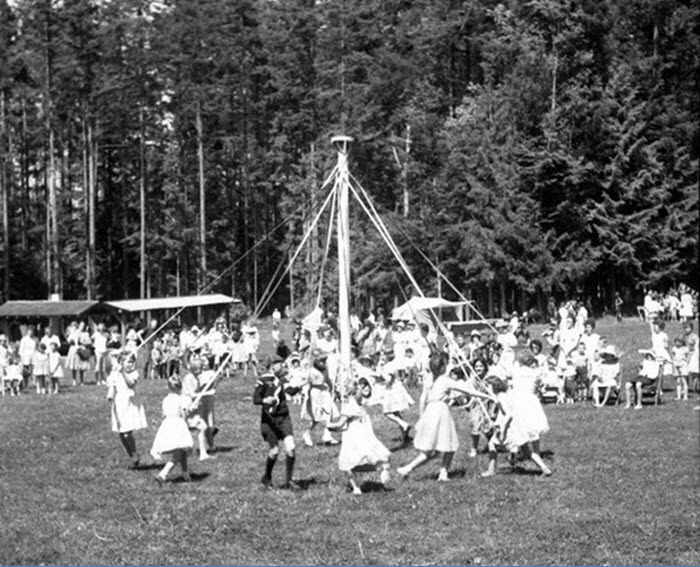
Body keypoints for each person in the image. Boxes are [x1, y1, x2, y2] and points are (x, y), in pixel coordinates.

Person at [396, 352, 493, 482]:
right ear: (442, 368)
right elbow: (467, 390)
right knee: (449, 445)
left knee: (432, 448)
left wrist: (422, 416)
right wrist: (489, 396)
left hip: (429, 412)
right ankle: (440, 473)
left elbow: (428, 398)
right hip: (440, 412)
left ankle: (409, 469)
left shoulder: (430, 380)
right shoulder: (445, 380)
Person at [482, 352, 552, 477]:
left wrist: (502, 430)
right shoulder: (532, 373)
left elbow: (508, 414)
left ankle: (492, 469)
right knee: (527, 450)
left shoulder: (504, 394)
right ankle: (544, 468)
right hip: (518, 422)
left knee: (493, 444)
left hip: (509, 427)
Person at [328, 378, 391, 495]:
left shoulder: (357, 404)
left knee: (353, 462)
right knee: (353, 462)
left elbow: (341, 424)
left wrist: (331, 426)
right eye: (361, 388)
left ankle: (359, 485)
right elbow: (341, 424)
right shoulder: (351, 405)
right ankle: (358, 486)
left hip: (360, 437)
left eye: (366, 386)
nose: (365, 390)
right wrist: (331, 426)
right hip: (357, 437)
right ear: (355, 391)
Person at [253, 357, 302, 490]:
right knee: (274, 451)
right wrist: (265, 400)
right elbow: (256, 399)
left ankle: (289, 480)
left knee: (290, 449)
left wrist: (302, 384)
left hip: (283, 418)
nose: (283, 367)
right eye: (280, 365)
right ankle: (267, 477)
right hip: (269, 421)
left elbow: (289, 391)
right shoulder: (263, 381)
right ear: (272, 366)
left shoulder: (282, 381)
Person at [106, 352, 148, 468]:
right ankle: (132, 455)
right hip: (119, 404)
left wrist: (122, 372)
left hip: (130, 404)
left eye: (132, 362)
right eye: (128, 361)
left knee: (127, 433)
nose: (131, 364)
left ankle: (134, 452)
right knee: (121, 433)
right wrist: (110, 396)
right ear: (121, 363)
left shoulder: (134, 373)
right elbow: (112, 386)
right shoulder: (115, 373)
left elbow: (130, 384)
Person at [151, 375, 194, 484]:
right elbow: (184, 415)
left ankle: (185, 473)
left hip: (167, 425)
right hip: (178, 426)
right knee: (179, 452)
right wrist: (191, 409)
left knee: (182, 449)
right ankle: (163, 473)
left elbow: (164, 414)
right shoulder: (181, 399)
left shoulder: (166, 399)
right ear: (181, 387)